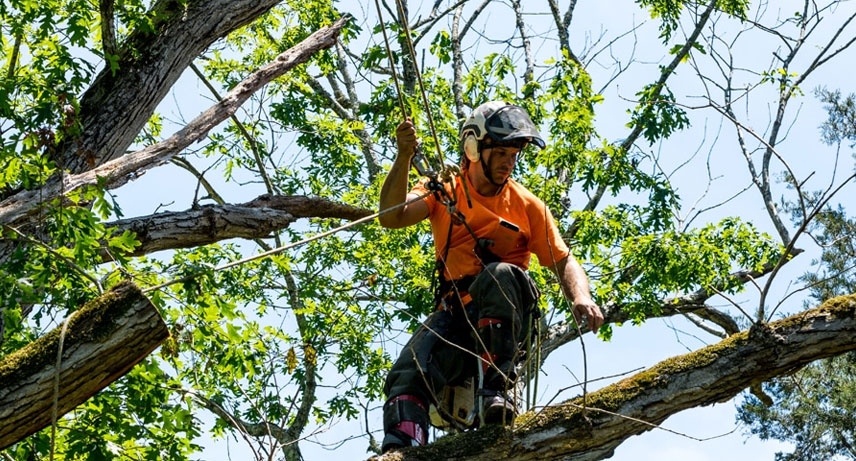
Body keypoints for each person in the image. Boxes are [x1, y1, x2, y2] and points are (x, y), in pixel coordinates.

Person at [377, 101, 604, 452]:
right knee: (409, 370)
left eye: (514, 153)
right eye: (500, 152)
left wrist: (581, 297)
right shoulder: (444, 188)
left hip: (505, 323)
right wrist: (404, 156)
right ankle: (402, 448)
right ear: (472, 148)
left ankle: (497, 391)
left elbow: (564, 261)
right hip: (457, 317)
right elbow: (392, 216)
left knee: (497, 275)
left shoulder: (528, 205)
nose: (509, 161)